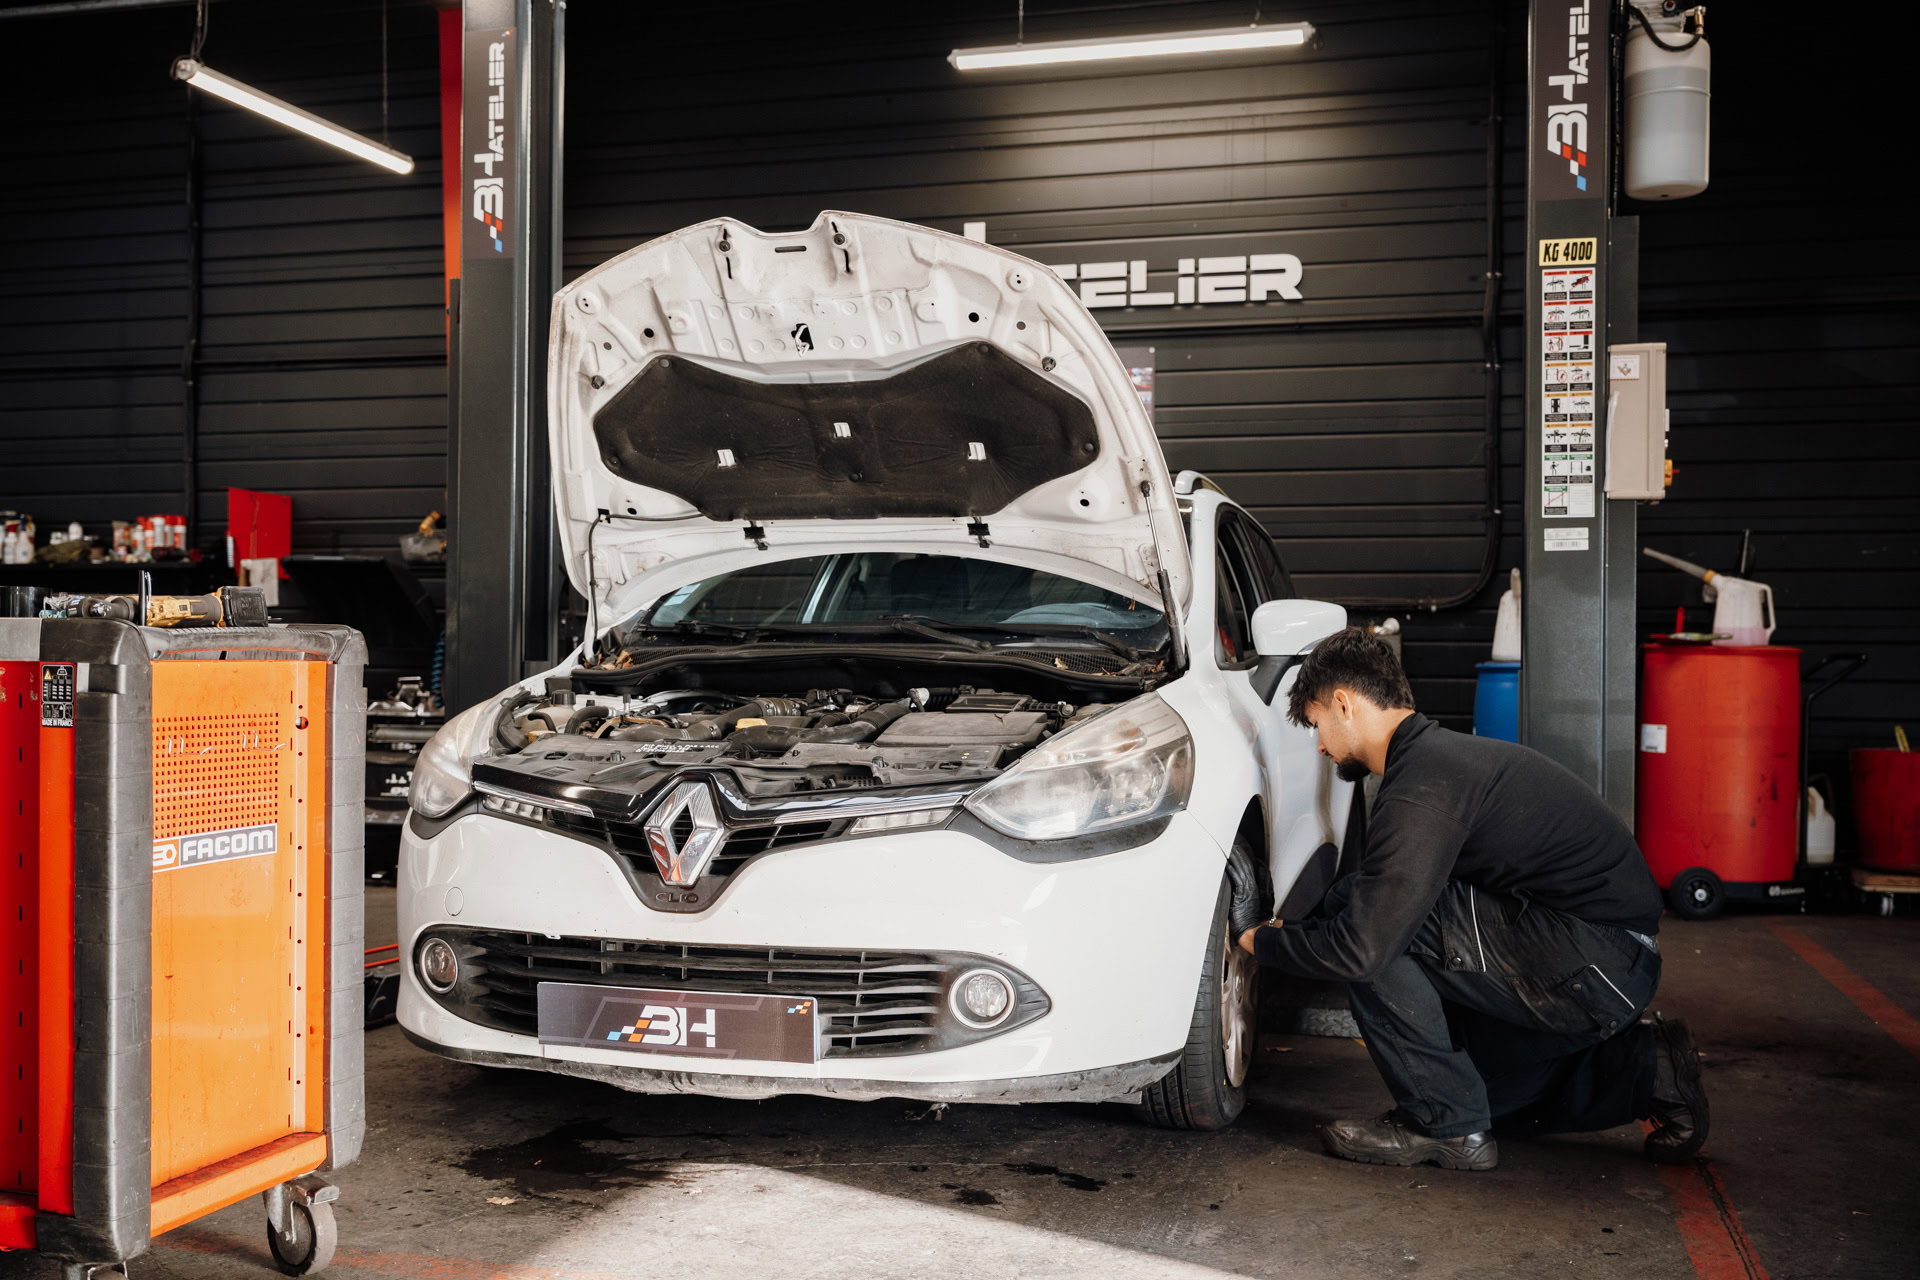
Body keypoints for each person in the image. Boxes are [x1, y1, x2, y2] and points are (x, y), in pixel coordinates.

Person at [1229, 628, 1707, 1172]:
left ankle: (1445, 1130)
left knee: (1375, 938)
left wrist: (1260, 940)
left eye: (1316, 725)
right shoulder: (1437, 761)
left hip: (1599, 962)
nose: (1319, 745)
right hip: (1606, 959)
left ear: (1345, 704)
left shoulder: (1424, 786)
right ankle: (1650, 1067)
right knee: (1480, 1088)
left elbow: (1364, 948)